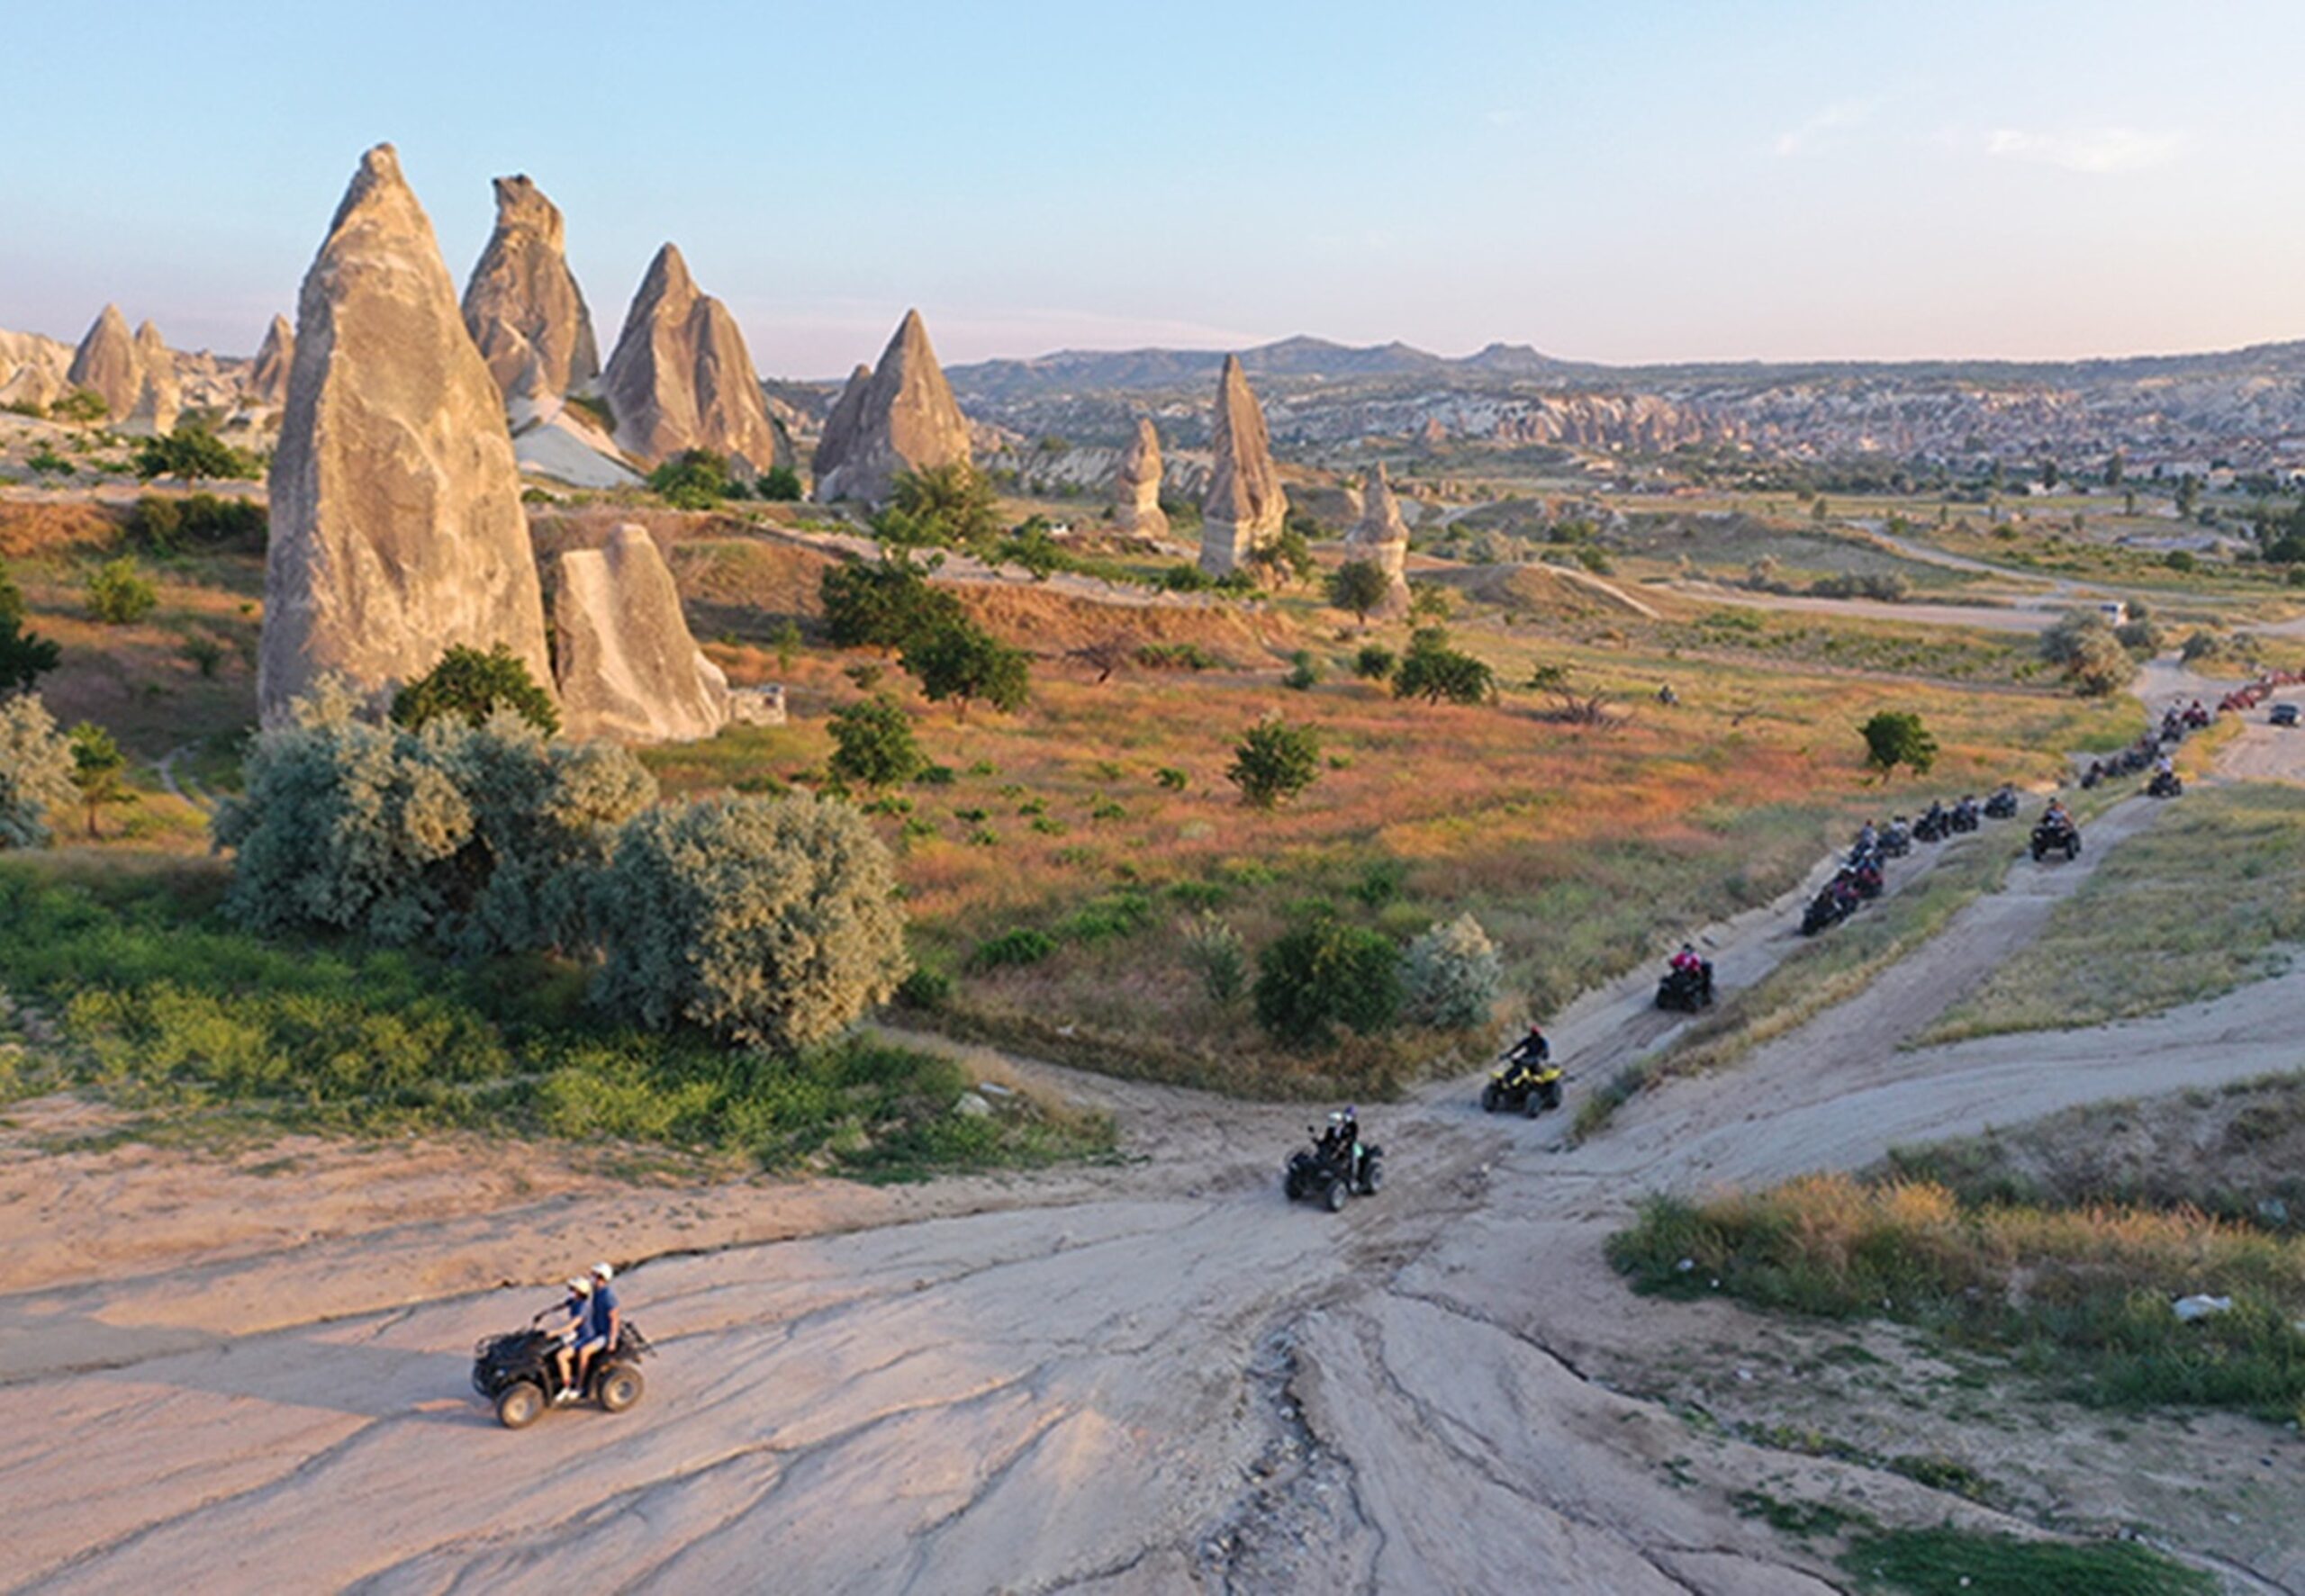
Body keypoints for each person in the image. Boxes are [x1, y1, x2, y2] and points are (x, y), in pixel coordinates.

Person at [570, 1262, 621, 1399]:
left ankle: (580, 1386)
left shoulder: (607, 1295)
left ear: (601, 1277)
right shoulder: (596, 1292)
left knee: (584, 1351)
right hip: (595, 1331)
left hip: (604, 1335)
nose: (591, 1277)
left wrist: (612, 1341)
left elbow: (614, 1318)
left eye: (594, 1275)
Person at [547, 1276, 592, 1397]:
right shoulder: (574, 1301)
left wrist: (553, 1333)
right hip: (577, 1335)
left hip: (586, 1338)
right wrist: (545, 1313)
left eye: (573, 1289)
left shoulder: (583, 1307)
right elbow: (561, 1305)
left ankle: (569, 1386)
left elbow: (571, 1326)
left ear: (579, 1291)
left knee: (561, 1356)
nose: (570, 1291)